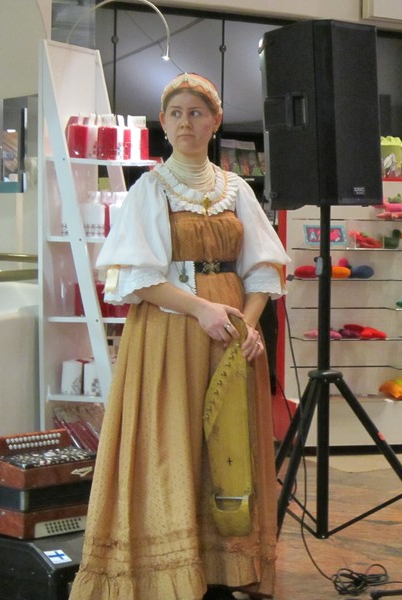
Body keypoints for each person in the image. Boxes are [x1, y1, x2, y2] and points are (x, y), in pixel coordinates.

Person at [68, 73, 290, 600]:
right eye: (176, 114)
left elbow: (262, 268)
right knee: (171, 440)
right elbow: (136, 278)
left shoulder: (237, 190)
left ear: (215, 121)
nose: (186, 122)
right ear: (164, 126)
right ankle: (168, 572)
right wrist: (200, 309)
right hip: (171, 330)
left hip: (230, 332)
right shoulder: (151, 189)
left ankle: (227, 567)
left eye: (196, 112)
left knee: (229, 441)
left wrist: (246, 323)